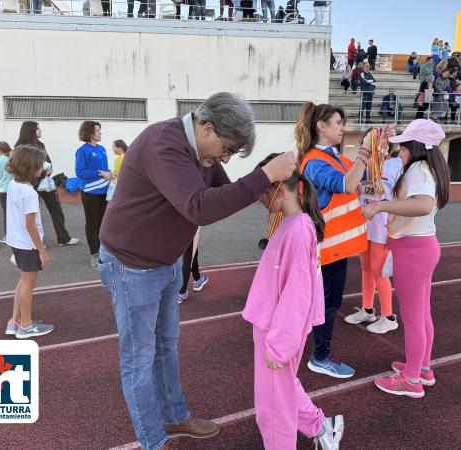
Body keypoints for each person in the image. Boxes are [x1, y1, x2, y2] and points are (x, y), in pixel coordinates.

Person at [96, 92, 296, 450]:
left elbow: (227, 190)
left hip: (167, 261)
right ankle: (152, 440)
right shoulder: (165, 145)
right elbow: (199, 208)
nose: (226, 158)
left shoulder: (201, 151)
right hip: (132, 265)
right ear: (207, 128)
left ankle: (174, 418)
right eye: (228, 149)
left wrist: (270, 187)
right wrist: (265, 174)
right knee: (139, 359)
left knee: (166, 346)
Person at [243, 153, 344, 450]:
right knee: (283, 392)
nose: (259, 198)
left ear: (278, 187)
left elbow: (297, 295)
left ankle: (314, 431)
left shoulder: (298, 230)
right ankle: (321, 428)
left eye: (263, 190)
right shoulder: (293, 224)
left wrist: (279, 345)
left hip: (277, 332)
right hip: (272, 327)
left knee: (272, 413)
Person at [362, 119, 450, 399]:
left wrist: (381, 206)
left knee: (413, 318)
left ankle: (411, 379)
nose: (400, 151)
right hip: (420, 247)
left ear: (416, 148)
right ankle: (422, 368)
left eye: (403, 147)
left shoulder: (418, 170)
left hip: (414, 251)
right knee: (421, 314)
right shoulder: (426, 168)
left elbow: (423, 205)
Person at [295, 102, 372, 379]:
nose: (343, 128)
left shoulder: (334, 157)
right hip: (326, 249)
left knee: (325, 303)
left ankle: (316, 351)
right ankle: (320, 356)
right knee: (325, 305)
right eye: (338, 123)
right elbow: (348, 185)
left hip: (336, 248)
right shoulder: (315, 162)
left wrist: (378, 147)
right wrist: (364, 151)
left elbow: (363, 176)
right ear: (321, 126)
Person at [345, 135, 403, 334]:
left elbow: (402, 197)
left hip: (382, 228)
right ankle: (368, 309)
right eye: (367, 144)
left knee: (379, 272)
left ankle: (388, 316)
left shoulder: (396, 165)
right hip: (365, 227)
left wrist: (395, 225)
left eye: (377, 144)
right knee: (366, 269)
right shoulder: (361, 165)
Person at [4, 145, 55, 339]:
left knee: (23, 281)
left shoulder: (13, 185)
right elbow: (31, 225)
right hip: (28, 244)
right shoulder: (30, 193)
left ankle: (15, 320)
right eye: (40, 164)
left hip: (17, 241)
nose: (43, 167)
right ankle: (26, 325)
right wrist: (42, 250)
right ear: (31, 167)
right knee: (28, 283)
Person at [15, 121, 79, 247]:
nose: (40, 130)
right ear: (31, 130)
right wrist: (41, 173)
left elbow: (47, 160)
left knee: (56, 210)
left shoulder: (40, 144)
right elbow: (23, 167)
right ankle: (36, 242)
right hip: (31, 184)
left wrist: (49, 170)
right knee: (33, 214)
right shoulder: (21, 147)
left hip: (46, 183)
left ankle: (63, 238)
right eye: (38, 128)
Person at [75, 121, 111, 267]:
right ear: (90, 133)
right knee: (92, 223)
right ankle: (94, 254)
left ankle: (102, 251)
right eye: (97, 131)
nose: (100, 133)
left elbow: (104, 169)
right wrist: (100, 172)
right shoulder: (82, 151)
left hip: (103, 191)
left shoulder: (102, 149)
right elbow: (80, 172)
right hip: (90, 192)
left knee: (101, 222)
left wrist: (109, 173)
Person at [178, 229, 209, 303]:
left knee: (192, 251)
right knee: (190, 254)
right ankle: (181, 292)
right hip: (189, 226)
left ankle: (197, 279)